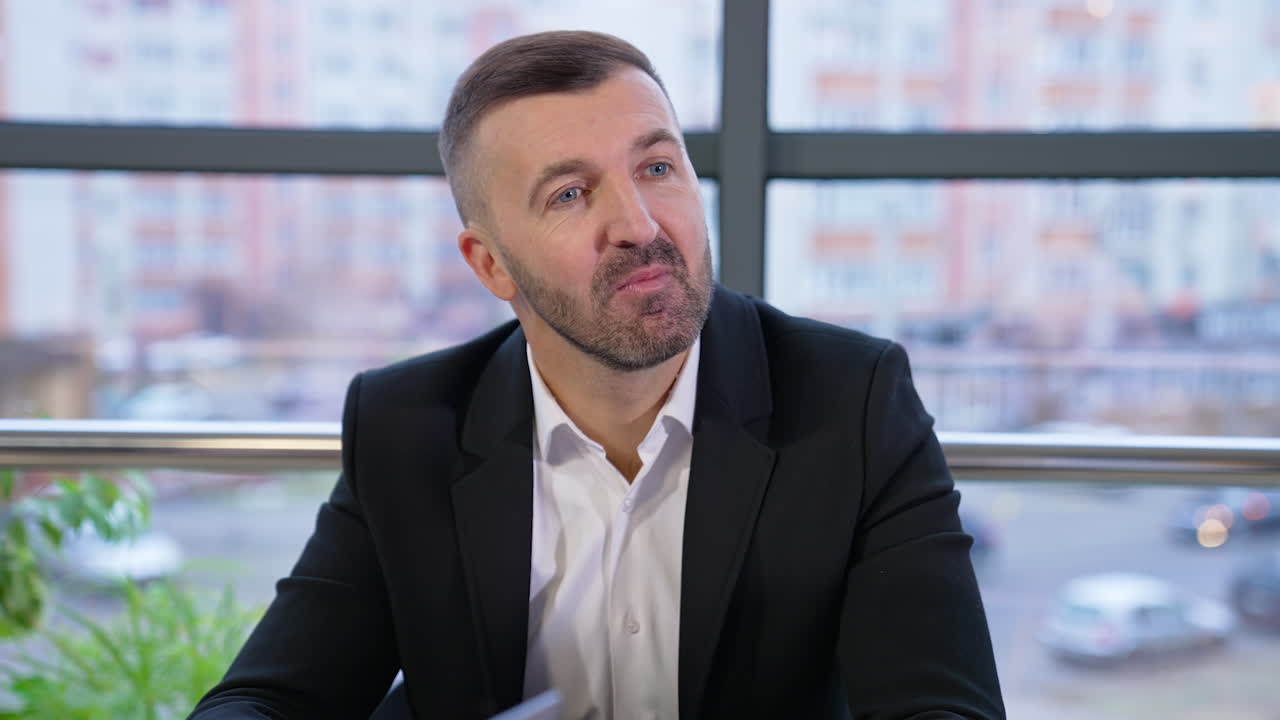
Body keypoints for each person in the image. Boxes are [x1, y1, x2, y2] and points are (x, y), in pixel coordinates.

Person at [190, 31, 1004, 720]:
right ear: (491, 264)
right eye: (572, 193)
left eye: (656, 168)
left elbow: (942, 706)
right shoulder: (409, 427)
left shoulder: (852, 402)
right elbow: (268, 698)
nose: (640, 227)